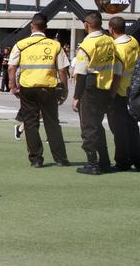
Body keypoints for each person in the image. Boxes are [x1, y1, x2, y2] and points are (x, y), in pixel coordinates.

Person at [8, 13, 71, 168]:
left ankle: (36, 159)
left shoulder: (21, 44)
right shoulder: (55, 45)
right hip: (48, 88)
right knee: (53, 123)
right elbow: (62, 70)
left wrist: (13, 86)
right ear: (46, 27)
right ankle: (60, 159)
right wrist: (64, 89)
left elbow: (11, 67)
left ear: (31, 25)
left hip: (28, 88)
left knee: (30, 124)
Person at [72, 11, 120, 175]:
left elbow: (81, 74)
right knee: (97, 125)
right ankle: (104, 161)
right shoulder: (110, 41)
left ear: (86, 25)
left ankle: (92, 163)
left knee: (88, 126)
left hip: (90, 87)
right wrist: (113, 90)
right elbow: (117, 68)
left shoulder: (87, 45)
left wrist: (76, 97)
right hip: (105, 86)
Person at [106, 16, 140, 171]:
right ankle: (136, 158)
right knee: (132, 127)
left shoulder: (116, 47)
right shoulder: (133, 41)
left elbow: (116, 74)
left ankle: (122, 161)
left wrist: (110, 94)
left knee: (118, 128)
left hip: (120, 92)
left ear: (111, 28)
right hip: (133, 91)